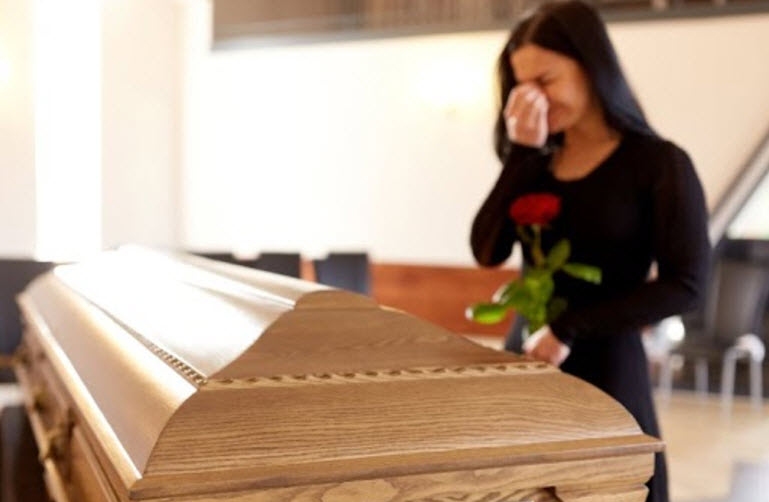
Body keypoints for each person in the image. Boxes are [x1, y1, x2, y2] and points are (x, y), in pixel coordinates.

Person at [470, 2, 711, 501]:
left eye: (545, 80)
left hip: (608, 369)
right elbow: (487, 249)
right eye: (522, 86)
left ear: (591, 66)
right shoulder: (536, 161)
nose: (534, 98)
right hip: (529, 363)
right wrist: (521, 153)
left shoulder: (659, 164)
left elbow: (686, 285)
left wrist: (568, 327)